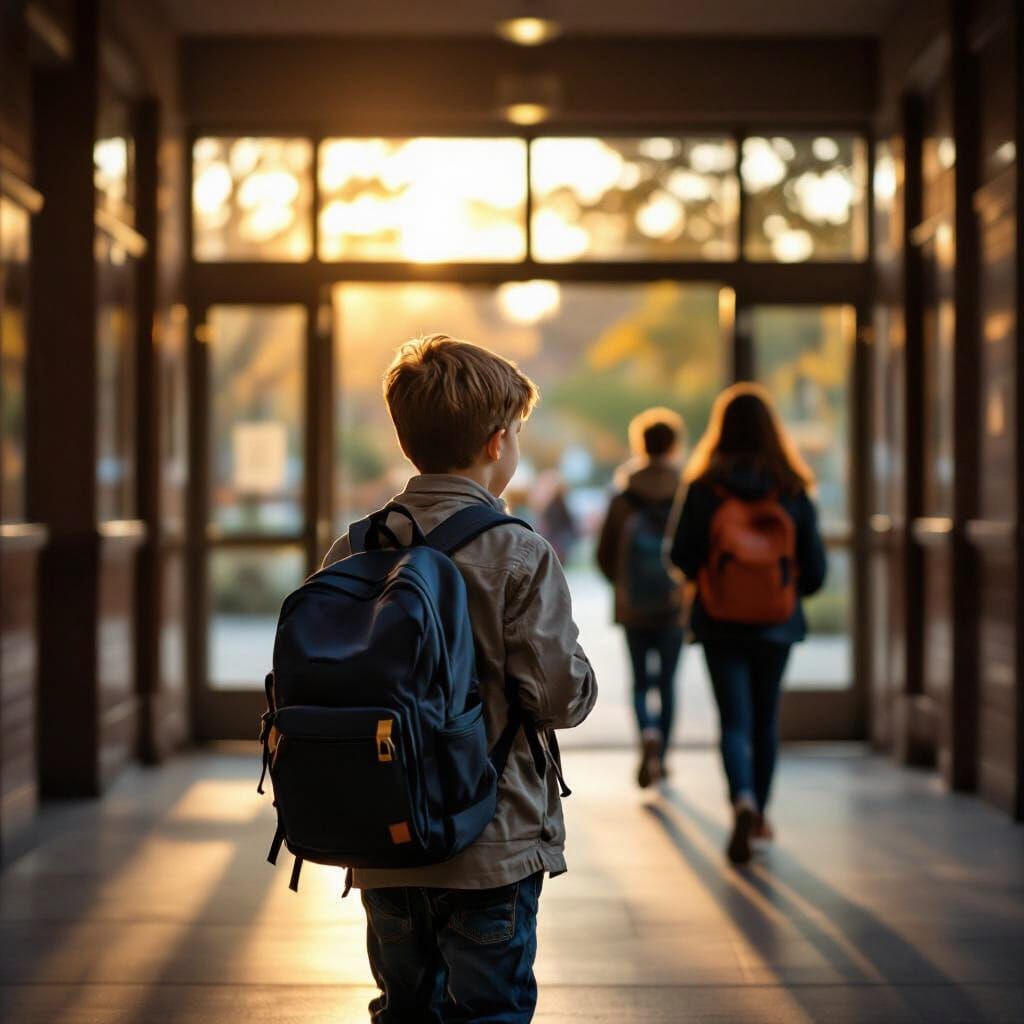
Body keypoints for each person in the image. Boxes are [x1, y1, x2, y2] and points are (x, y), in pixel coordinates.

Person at [322, 334, 597, 1023]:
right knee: (487, 1013)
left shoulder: (355, 548)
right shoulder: (518, 552)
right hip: (490, 841)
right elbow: (561, 696)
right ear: (498, 442)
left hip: (381, 834)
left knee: (403, 1009)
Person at [669, 383, 826, 866]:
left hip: (720, 620)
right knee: (764, 720)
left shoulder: (705, 486)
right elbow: (816, 573)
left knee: (733, 721)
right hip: (776, 625)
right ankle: (760, 816)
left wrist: (720, 577)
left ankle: (741, 799)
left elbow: (681, 557)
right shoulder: (792, 487)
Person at [596, 407, 687, 788]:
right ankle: (662, 755)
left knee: (638, 681)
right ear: (674, 445)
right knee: (666, 682)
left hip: (632, 605)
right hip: (672, 604)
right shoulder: (686, 489)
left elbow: (604, 553)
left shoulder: (623, 495)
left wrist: (622, 584)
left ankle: (646, 733)